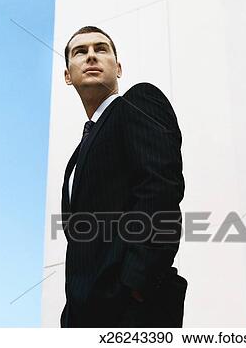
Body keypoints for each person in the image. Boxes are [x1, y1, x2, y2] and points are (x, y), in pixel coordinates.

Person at [59, 26, 187, 328]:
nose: (91, 55)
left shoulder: (138, 101)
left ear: (118, 68)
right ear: (68, 75)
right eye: (80, 51)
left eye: (101, 49)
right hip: (83, 317)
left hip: (131, 310)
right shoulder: (76, 158)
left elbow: (160, 189)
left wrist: (136, 286)